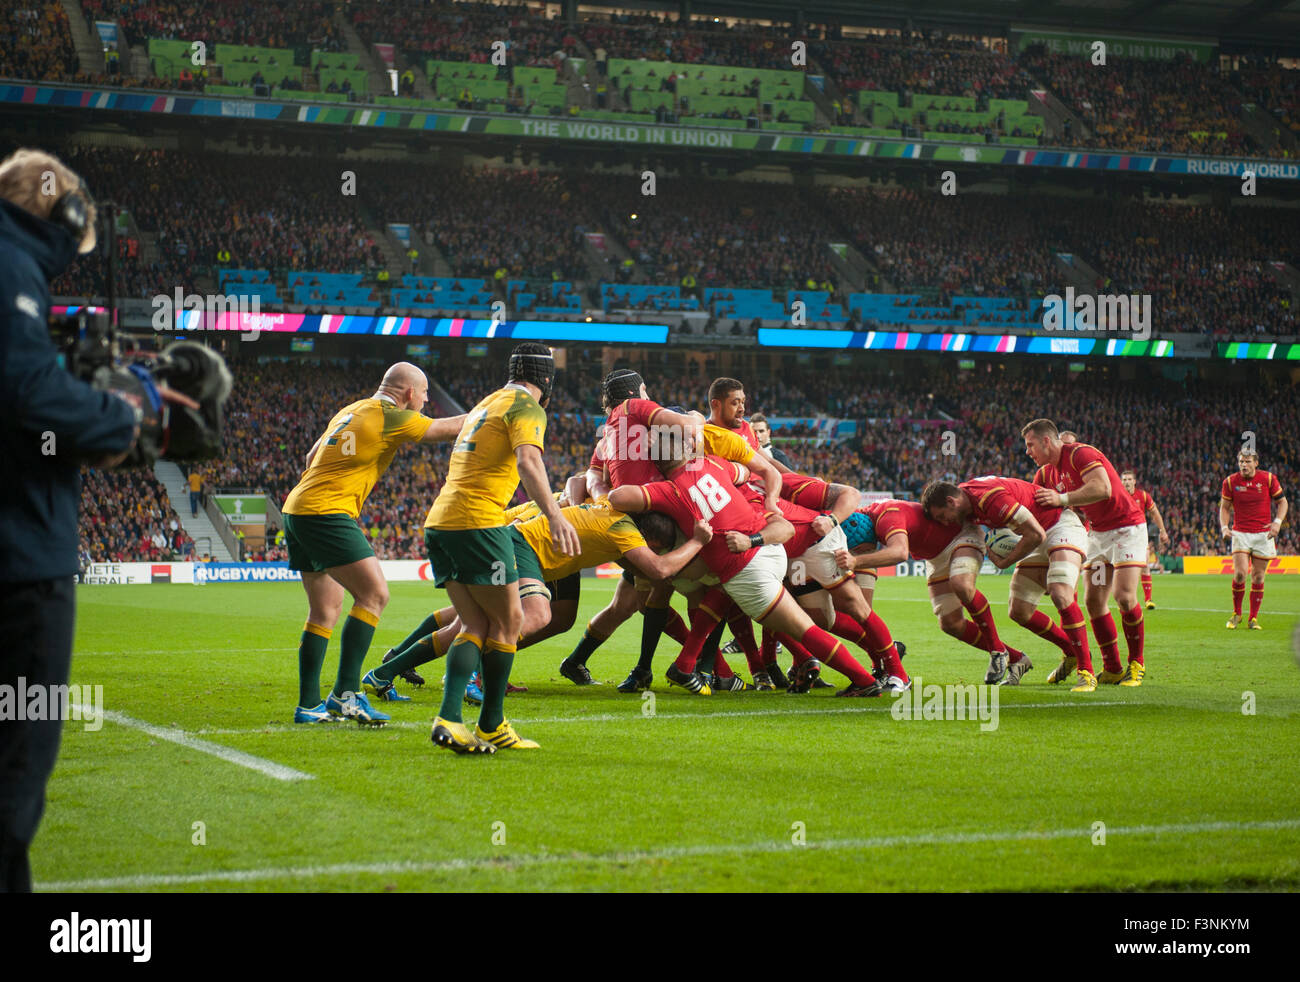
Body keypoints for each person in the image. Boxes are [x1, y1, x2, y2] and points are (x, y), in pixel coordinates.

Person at [0, 148, 146, 892]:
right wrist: (113, 418)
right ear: (65, 217)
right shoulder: (11, 269)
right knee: (16, 780)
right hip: (22, 564)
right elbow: (24, 392)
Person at [282, 362, 465, 726]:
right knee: (374, 594)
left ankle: (309, 705)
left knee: (326, 607)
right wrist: (496, 409)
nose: (427, 401)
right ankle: (347, 694)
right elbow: (447, 429)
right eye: (425, 394)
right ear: (409, 393)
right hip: (326, 513)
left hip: (297, 508)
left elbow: (309, 457)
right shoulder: (391, 415)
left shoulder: (350, 410)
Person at [425, 343, 578, 754]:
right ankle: (491, 722)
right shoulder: (528, 406)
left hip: (441, 521)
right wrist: (555, 516)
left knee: (474, 623)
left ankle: (450, 720)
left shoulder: (486, 403)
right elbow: (529, 461)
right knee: (511, 621)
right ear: (546, 379)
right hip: (479, 521)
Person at [1026, 419, 1150, 688]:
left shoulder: (1082, 453)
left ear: (1047, 441)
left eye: (1030, 444)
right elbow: (1037, 509)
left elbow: (1102, 489)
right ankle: (1113, 668)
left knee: (1124, 597)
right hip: (1097, 534)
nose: (1027, 451)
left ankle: (1136, 664)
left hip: (1127, 528)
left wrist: (1062, 498)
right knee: (1093, 601)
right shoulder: (1046, 474)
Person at [1220, 450, 1287, 630]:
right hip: (1240, 533)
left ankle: (1253, 618)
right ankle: (1236, 614)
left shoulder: (1268, 479)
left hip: (1263, 534)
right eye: (1241, 461)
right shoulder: (1230, 481)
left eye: (1248, 461)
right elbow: (1224, 508)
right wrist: (1224, 527)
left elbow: (1283, 502)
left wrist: (1277, 523)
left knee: (1258, 577)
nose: (1244, 465)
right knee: (1240, 573)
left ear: (1256, 463)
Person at [1120, 469, 1170, 609]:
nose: (1127, 482)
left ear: (1134, 481)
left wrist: (1163, 531)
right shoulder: (1117, 496)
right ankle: (1126, 599)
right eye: (1124, 480)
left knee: (1144, 566)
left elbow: (1155, 513)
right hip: (1122, 537)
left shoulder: (1143, 496)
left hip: (1139, 537)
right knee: (1123, 570)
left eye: (1129, 479)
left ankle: (1148, 600)